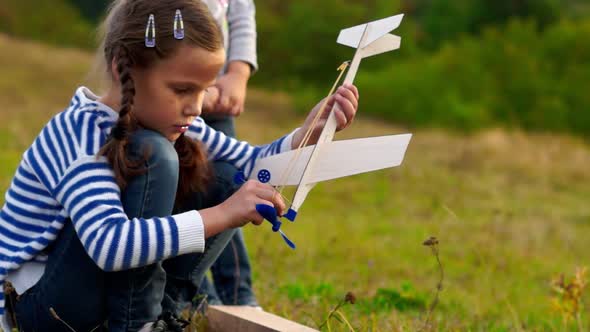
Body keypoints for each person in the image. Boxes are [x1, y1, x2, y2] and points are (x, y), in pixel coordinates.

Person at [0, 0, 359, 331]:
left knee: (226, 175)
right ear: (124, 68)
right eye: (182, 89)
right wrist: (223, 214)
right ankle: (137, 324)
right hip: (39, 308)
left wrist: (307, 133)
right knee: (153, 153)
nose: (197, 107)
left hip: (93, 294)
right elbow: (108, 244)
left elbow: (251, 164)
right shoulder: (78, 132)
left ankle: (160, 314)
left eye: (204, 90)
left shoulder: (178, 123)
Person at [198, 0, 260, 307]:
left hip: (218, 103)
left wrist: (238, 74)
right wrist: (191, 91)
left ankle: (239, 295)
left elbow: (241, 17)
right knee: (174, 191)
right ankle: (197, 293)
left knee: (229, 187)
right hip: (163, 100)